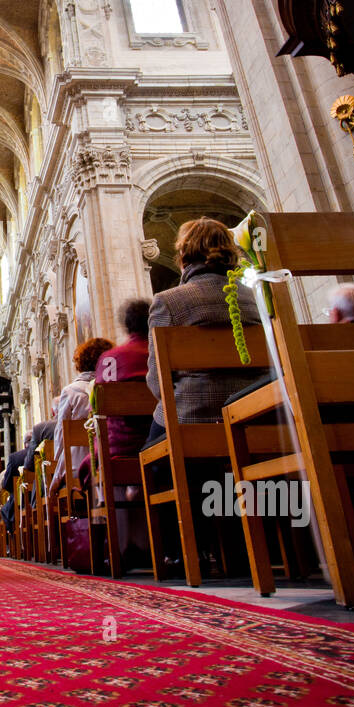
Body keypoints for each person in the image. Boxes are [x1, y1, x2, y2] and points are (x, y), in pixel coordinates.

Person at [144, 216, 263, 574]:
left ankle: (181, 550)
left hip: (192, 416)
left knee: (152, 448)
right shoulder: (257, 298)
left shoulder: (169, 302)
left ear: (183, 256)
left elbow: (156, 381)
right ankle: (250, 542)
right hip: (256, 416)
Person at [91, 299, 152, 569]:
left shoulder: (110, 359)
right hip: (161, 441)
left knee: (93, 463)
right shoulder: (161, 351)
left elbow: (102, 408)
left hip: (120, 446)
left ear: (126, 326)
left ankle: (120, 545)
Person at [49, 337, 113, 501]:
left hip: (80, 464)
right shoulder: (113, 385)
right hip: (115, 455)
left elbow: (62, 435)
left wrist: (57, 470)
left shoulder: (71, 391)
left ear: (81, 363)